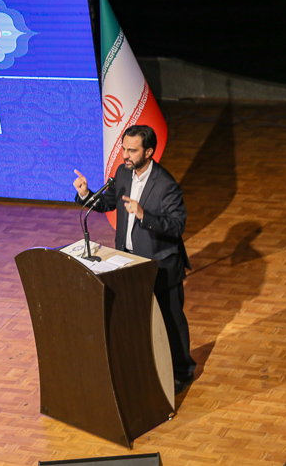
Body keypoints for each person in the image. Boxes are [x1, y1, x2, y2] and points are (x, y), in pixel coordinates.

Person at [73, 125, 196, 395]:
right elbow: (107, 203)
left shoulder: (166, 185)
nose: (125, 155)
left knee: (171, 321)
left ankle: (182, 372)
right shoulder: (122, 173)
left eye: (132, 150)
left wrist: (143, 215)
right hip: (128, 262)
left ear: (148, 152)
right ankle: (148, 365)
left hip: (161, 265)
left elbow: (177, 226)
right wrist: (85, 194)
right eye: (123, 149)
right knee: (138, 318)